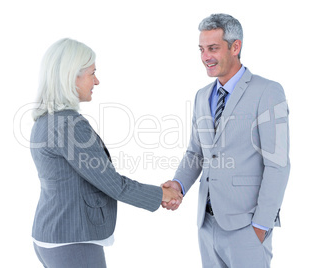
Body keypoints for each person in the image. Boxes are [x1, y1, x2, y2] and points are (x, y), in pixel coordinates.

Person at [30, 38, 182, 268]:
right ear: (72, 76)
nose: (97, 81)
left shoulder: (45, 120)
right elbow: (113, 184)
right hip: (72, 240)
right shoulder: (70, 125)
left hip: (53, 236)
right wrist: (161, 195)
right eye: (92, 73)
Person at [162, 13, 290, 267]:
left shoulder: (267, 91)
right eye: (201, 49)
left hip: (247, 226)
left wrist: (261, 226)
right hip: (206, 225)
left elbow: (278, 165)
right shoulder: (202, 96)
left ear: (235, 47)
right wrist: (178, 184)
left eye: (213, 48)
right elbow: (196, 152)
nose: (205, 57)